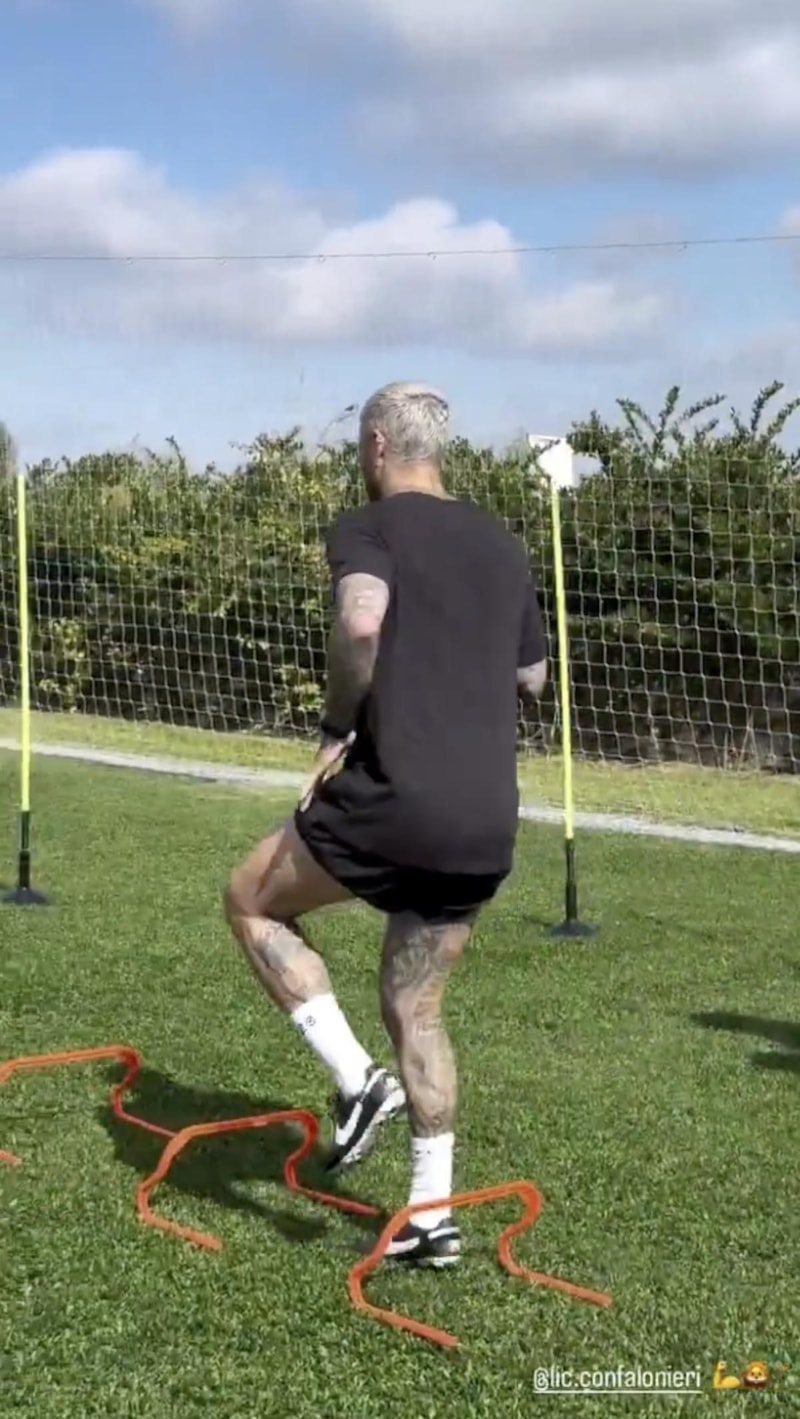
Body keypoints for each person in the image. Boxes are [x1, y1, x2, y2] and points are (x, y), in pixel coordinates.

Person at [224, 382, 548, 1268]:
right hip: (485, 818)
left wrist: (338, 724)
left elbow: (361, 623)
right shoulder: (502, 543)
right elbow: (532, 679)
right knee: (416, 1005)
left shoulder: (367, 528)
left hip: (395, 796)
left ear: (375, 445)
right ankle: (431, 1214)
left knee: (250, 898)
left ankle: (355, 1077)